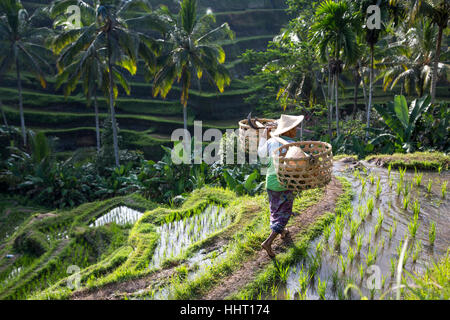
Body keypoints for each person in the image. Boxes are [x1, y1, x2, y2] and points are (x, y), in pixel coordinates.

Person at [258, 114, 304, 258]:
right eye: (294, 127)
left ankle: (282, 232)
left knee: (275, 209)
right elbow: (301, 164)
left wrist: (264, 136)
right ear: (288, 130)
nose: (296, 129)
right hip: (284, 183)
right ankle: (268, 242)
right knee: (284, 213)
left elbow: (260, 154)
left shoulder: (272, 141)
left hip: (270, 181)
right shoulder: (292, 145)